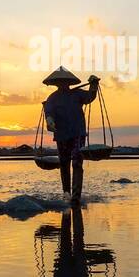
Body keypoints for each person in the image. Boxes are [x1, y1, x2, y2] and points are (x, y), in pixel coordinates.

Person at [41, 66, 99, 205]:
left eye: (65, 82)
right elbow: (48, 112)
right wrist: (50, 121)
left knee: (77, 163)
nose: (63, 85)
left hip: (77, 134)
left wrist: (94, 85)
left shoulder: (77, 94)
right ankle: (66, 193)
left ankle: (76, 196)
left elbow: (90, 97)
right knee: (64, 164)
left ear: (69, 82)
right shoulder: (53, 98)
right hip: (61, 135)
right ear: (56, 84)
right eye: (60, 83)